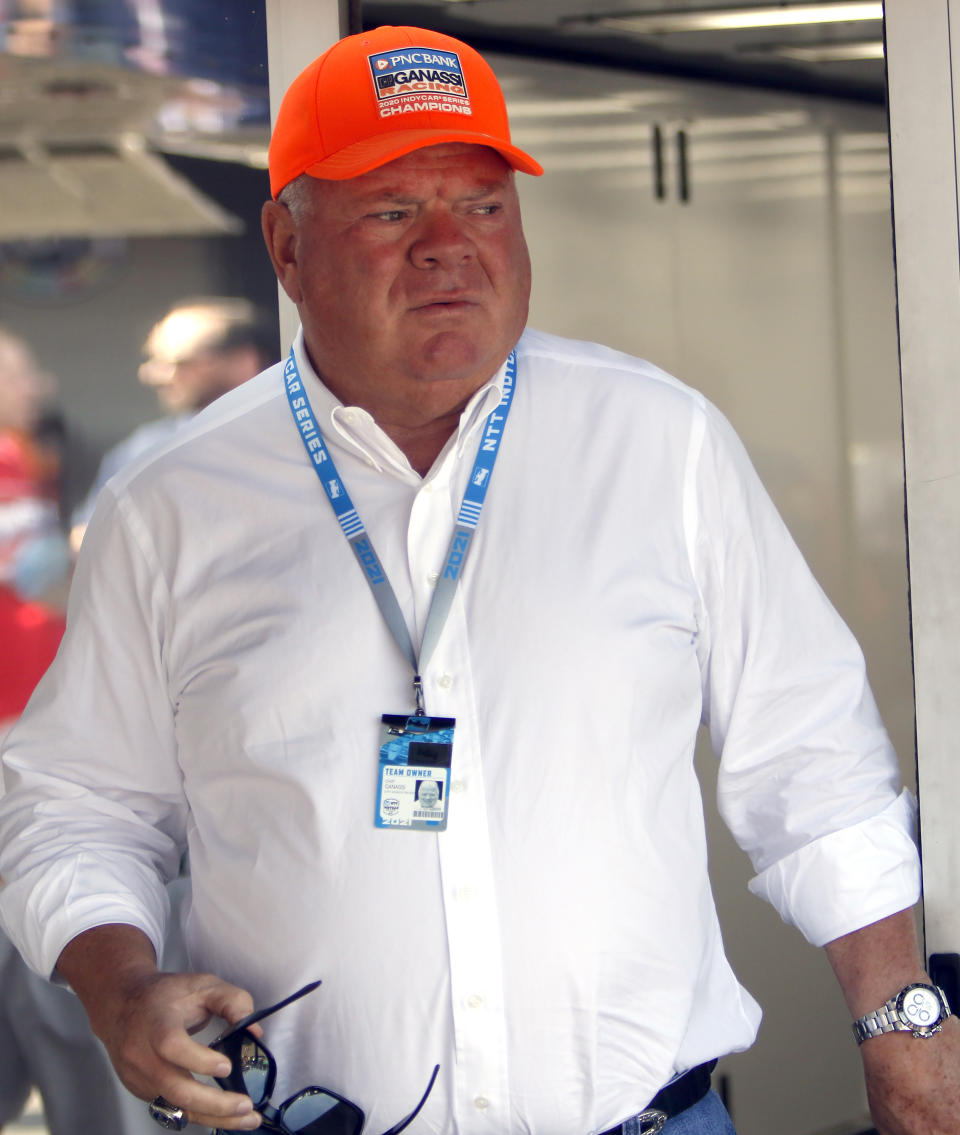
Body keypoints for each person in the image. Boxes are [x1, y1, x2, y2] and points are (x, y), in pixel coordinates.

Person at [0, 24, 955, 1135]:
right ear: (285, 244)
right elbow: (77, 807)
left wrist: (908, 1029)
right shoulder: (170, 502)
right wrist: (120, 990)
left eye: (486, 204)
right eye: (394, 210)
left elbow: (815, 762)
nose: (450, 245)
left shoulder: (660, 443)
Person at [0, 327, 155, 1135]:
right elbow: (37, 573)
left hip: (32, 713)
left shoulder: (26, 456)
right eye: (21, 369)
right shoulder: (8, 457)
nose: (39, 383)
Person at [70, 296, 277, 550]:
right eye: (152, 361)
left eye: (177, 362)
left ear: (243, 361)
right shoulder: (145, 448)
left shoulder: (295, 434)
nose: (152, 375)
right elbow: (87, 537)